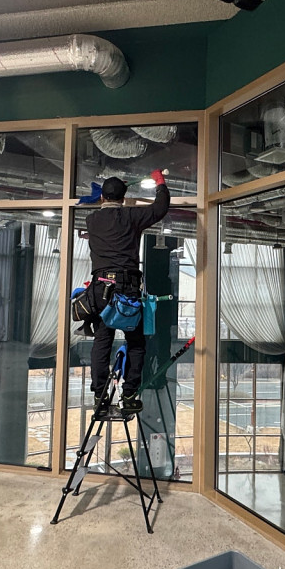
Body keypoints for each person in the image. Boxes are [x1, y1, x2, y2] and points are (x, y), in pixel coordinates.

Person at [85, 169, 169, 414]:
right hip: (126, 289)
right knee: (135, 343)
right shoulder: (131, 217)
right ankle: (129, 395)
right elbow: (160, 208)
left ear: (102, 197)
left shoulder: (92, 220)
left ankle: (100, 397)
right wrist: (159, 181)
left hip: (100, 289)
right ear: (123, 199)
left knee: (102, 341)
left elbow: (107, 215)